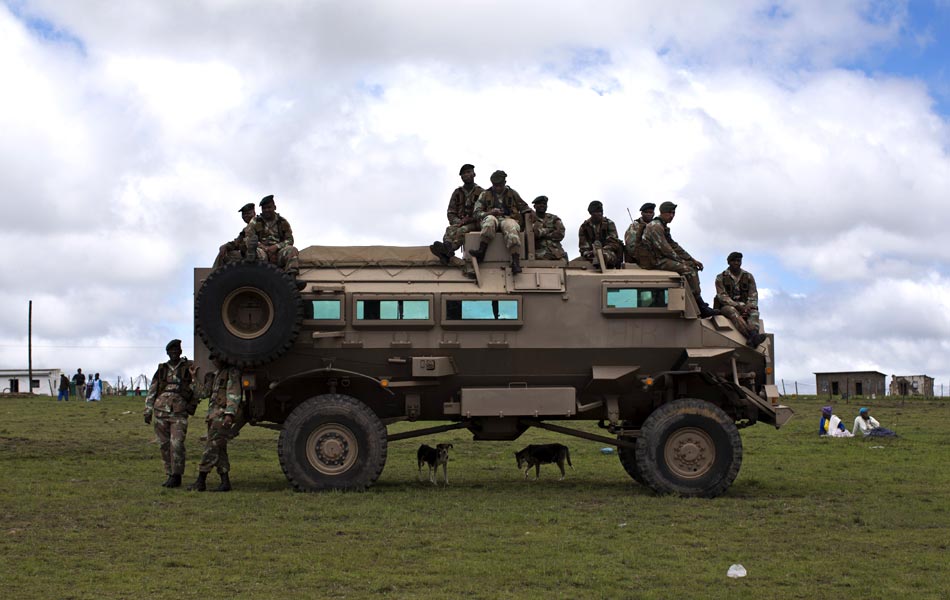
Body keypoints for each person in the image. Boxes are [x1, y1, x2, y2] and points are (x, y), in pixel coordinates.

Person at [637, 201, 718, 318]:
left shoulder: (662, 225)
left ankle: (698, 301)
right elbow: (666, 249)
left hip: (660, 257)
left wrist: (691, 259)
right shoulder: (655, 226)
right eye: (670, 213)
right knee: (688, 270)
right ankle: (700, 305)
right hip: (654, 261)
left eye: (673, 213)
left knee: (692, 266)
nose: (672, 216)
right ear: (663, 213)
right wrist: (682, 262)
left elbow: (674, 246)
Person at [186, 356, 244, 492]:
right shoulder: (215, 375)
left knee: (210, 448)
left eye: (217, 359)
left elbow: (234, 393)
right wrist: (194, 379)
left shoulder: (231, 373)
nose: (215, 361)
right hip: (213, 416)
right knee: (220, 450)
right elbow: (203, 393)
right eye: (213, 359)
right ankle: (225, 482)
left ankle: (201, 480)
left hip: (222, 416)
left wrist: (229, 414)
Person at [144, 339, 196, 488]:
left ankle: (177, 474)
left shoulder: (188, 367)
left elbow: (197, 388)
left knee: (177, 443)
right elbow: (152, 390)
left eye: (176, 351)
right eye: (171, 351)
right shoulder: (162, 369)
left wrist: (191, 405)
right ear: (167, 353)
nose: (174, 353)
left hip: (179, 412)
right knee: (164, 444)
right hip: (161, 411)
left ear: (180, 352)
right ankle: (170, 474)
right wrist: (148, 410)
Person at [470, 170, 533, 274]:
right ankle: (481, 251)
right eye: (495, 185)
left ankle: (515, 261)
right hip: (492, 218)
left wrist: (531, 211)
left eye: (500, 185)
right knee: (489, 221)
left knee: (511, 226)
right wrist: (490, 212)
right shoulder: (485, 194)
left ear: (505, 182)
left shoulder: (512, 193)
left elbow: (524, 207)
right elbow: (476, 213)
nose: (498, 188)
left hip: (507, 219)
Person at [245, 194, 305, 289]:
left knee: (292, 250)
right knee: (256, 252)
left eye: (269, 207)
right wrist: (264, 248)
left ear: (274, 207)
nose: (266, 210)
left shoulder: (282, 222)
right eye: (264, 208)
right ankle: (256, 278)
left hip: (278, 251)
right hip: (262, 250)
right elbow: (248, 237)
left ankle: (292, 280)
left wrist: (276, 247)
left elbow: (290, 240)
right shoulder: (256, 221)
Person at [430, 164, 485, 265]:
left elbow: (485, 212)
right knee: (450, 229)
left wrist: (470, 220)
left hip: (476, 223)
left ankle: (450, 250)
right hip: (460, 222)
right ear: (461, 177)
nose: (466, 175)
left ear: (474, 174)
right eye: (463, 173)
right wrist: (459, 222)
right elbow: (451, 212)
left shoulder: (482, 192)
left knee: (462, 230)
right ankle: (446, 250)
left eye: (468, 172)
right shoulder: (457, 192)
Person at [715, 252, 766, 347]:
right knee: (733, 312)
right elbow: (722, 296)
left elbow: (753, 295)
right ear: (729, 262)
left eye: (738, 261)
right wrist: (738, 307)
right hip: (727, 306)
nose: (737, 263)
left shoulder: (748, 276)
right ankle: (752, 336)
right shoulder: (720, 277)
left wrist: (748, 307)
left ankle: (753, 335)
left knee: (754, 312)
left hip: (745, 305)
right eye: (734, 261)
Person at [213, 202, 259, 269]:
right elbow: (237, 243)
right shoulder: (246, 230)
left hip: (259, 254)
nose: (246, 216)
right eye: (244, 214)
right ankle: (214, 276)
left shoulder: (259, 223)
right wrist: (226, 246)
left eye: (248, 213)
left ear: (254, 213)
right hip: (246, 255)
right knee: (224, 253)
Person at [578, 201, 623, 268]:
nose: (600, 214)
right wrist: (591, 253)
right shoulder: (584, 227)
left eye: (601, 212)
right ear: (591, 213)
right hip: (590, 254)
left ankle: (600, 258)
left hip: (608, 252)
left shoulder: (609, 224)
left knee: (605, 255)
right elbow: (583, 246)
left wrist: (601, 251)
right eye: (596, 212)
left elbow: (613, 242)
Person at [529, 196, 566, 261]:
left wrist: (542, 234)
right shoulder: (530, 219)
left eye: (544, 204)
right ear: (534, 206)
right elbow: (533, 234)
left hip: (557, 253)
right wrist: (549, 230)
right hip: (539, 254)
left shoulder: (554, 218)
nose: (542, 205)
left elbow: (560, 234)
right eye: (539, 204)